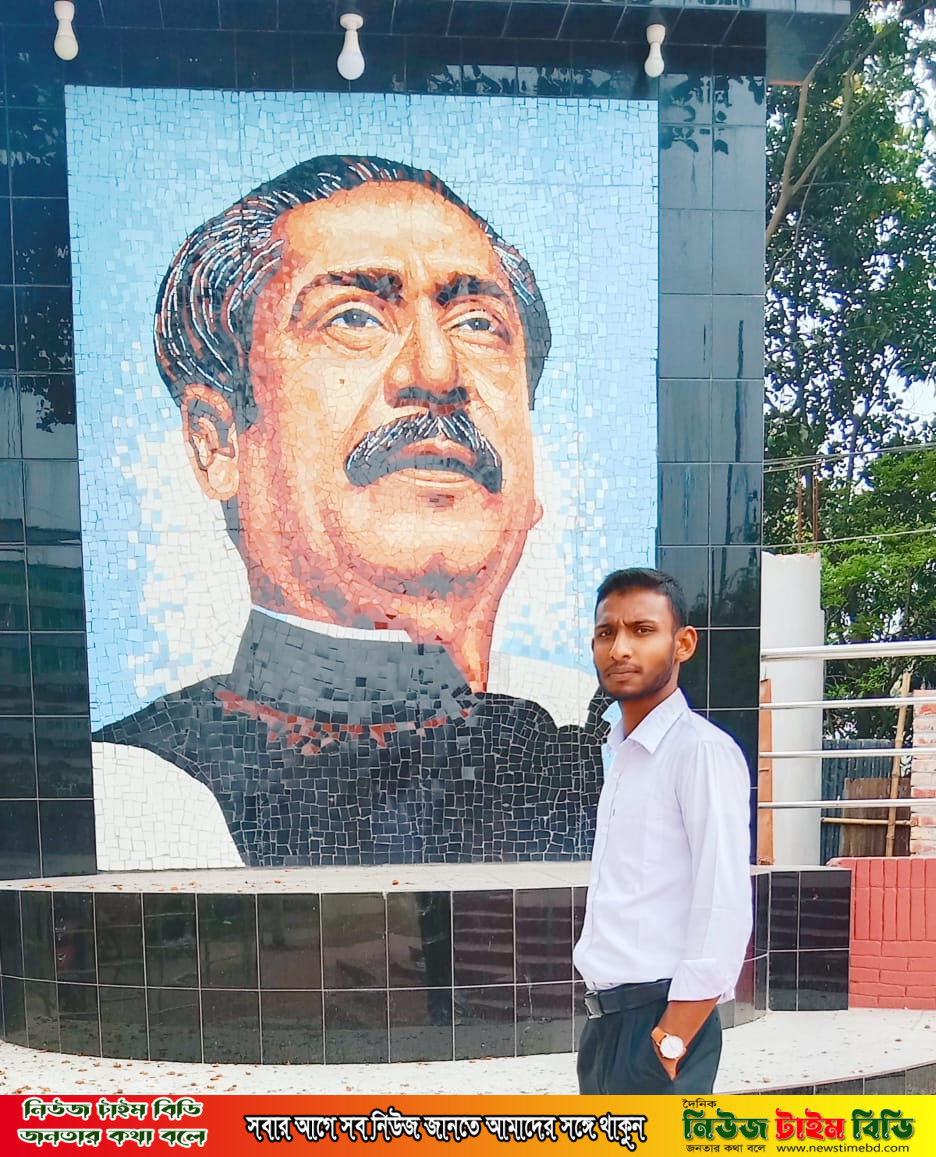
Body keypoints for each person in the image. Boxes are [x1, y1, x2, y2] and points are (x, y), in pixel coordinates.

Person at [92, 155, 605, 868]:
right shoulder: (139, 784)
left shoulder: (603, 736)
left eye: (477, 323)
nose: (436, 371)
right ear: (218, 443)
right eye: (354, 317)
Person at [573, 568, 752, 1095]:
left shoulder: (700, 751)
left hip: (661, 1024)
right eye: (606, 633)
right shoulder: (623, 752)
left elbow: (723, 901)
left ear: (683, 644)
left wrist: (673, 1038)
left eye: (643, 630)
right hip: (607, 1027)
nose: (620, 648)